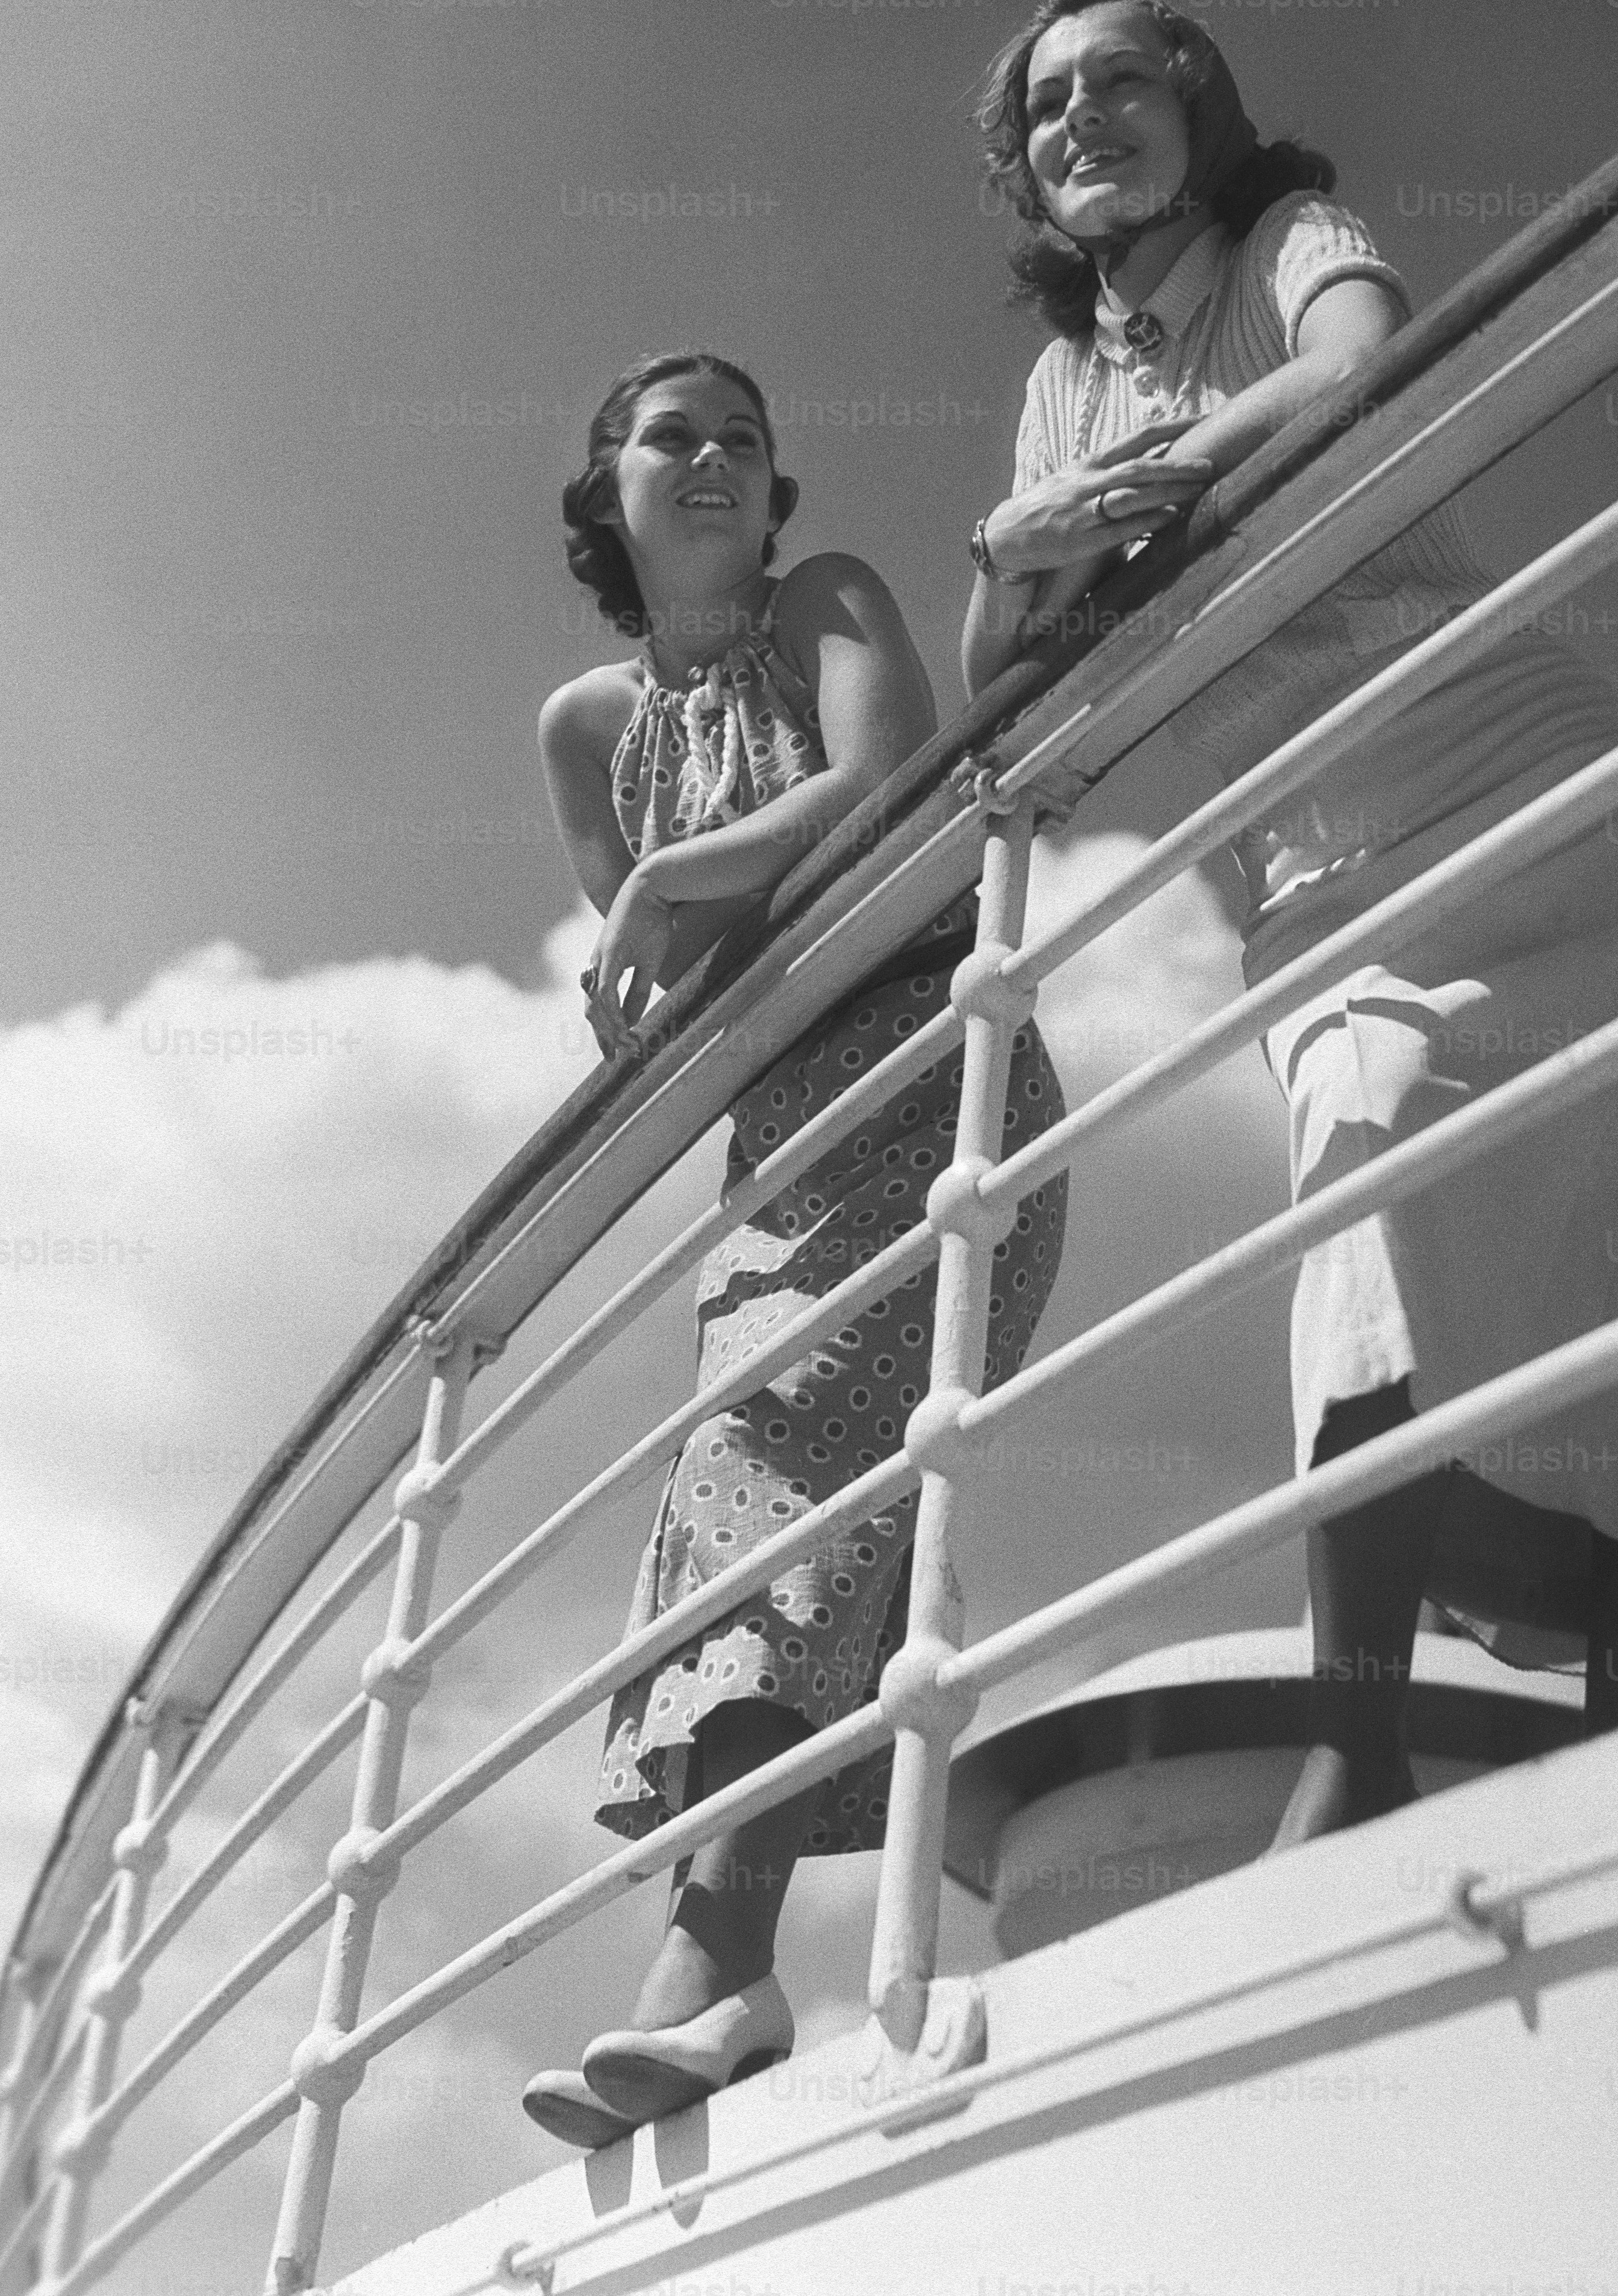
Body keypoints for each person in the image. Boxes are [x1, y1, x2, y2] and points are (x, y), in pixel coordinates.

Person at [964, 0, 1618, 1849]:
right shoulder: (1061, 387)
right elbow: (1012, 677)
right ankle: (1364, 1737)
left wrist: (1121, 506)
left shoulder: (1290, 240)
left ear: (1203, 105)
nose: (1085, 117)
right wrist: (1016, 545)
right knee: (1366, 1185)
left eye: (1124, 79)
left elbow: (1359, 373)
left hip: (1535, 792)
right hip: (1319, 865)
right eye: (1049, 103)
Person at [523, 350, 1068, 2147]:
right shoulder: (587, 728)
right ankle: (732, 1982)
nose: (711, 458)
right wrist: (671, 903)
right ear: (607, 492)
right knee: (734, 1504)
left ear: (774, 497)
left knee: (778, 1473)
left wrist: (668, 876)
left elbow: (886, 779)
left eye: (744, 440)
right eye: (669, 436)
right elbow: (672, 996)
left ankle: (711, 1974)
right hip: (778, 1144)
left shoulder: (825, 600)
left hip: (934, 1071)